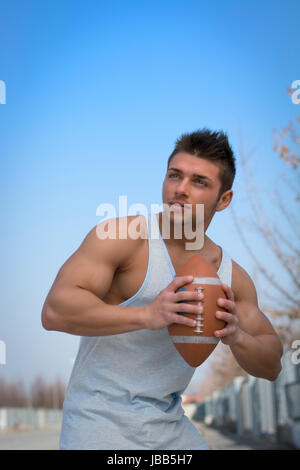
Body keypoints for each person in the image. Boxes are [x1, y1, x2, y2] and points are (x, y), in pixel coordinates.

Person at [41, 128, 283, 450]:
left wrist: (236, 336)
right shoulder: (122, 237)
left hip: (169, 426)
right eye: (174, 175)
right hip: (99, 424)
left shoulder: (229, 278)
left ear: (224, 199)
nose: (180, 190)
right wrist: (148, 314)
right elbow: (54, 311)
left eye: (199, 182)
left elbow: (272, 363)